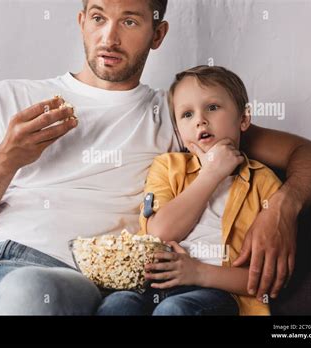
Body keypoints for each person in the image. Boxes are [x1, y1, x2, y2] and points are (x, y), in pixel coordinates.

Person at [0, 0, 311, 315]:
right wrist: (5, 159)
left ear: (157, 33)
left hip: (56, 278)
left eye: (130, 20)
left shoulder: (179, 115)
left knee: (27, 297)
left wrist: (283, 208)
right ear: (81, 21)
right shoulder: (8, 97)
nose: (109, 36)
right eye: (97, 16)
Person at [97, 65, 282, 315]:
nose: (200, 120)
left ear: (244, 119)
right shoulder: (168, 167)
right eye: (187, 114)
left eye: (213, 107)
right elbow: (159, 233)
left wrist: (196, 272)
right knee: (117, 305)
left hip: (218, 294)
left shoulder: (265, 183)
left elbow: (264, 280)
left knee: (175, 309)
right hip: (152, 286)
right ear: (179, 133)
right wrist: (211, 174)